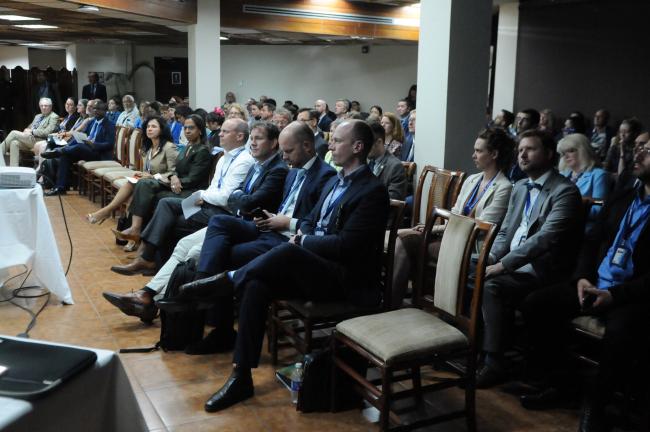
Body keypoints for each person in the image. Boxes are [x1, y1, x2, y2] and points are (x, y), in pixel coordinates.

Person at [173, 120, 389, 412]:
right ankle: (241, 375)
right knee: (256, 284)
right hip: (317, 266)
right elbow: (311, 220)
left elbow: (347, 247)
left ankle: (227, 280)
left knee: (289, 251)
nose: (331, 145)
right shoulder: (337, 180)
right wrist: (306, 236)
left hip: (346, 279)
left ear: (358, 147)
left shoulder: (372, 191)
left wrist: (303, 242)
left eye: (337, 141)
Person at [520, 140, 650, 432]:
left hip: (630, 295)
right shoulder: (625, 196)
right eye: (639, 148)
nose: (638, 153)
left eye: (648, 151)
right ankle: (563, 383)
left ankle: (598, 405)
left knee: (621, 331)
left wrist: (614, 295)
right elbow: (591, 242)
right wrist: (582, 277)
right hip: (594, 283)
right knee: (536, 304)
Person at [477, 129, 583, 388]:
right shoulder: (520, 186)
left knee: (492, 285)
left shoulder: (565, 191)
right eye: (520, 149)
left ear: (548, 154)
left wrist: (502, 266)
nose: (522, 154)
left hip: (542, 271)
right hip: (513, 263)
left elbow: (545, 240)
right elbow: (505, 231)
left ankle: (494, 362)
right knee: (467, 270)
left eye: (530, 149)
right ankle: (469, 347)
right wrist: (490, 257)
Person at [109, 119, 273, 276]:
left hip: (221, 211)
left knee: (169, 219)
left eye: (225, 131)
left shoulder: (244, 160)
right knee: (166, 204)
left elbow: (225, 197)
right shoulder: (224, 158)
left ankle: (150, 260)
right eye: (221, 131)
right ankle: (147, 258)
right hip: (207, 203)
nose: (220, 134)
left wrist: (202, 195)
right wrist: (202, 195)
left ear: (239, 136)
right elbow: (214, 188)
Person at [392, 128, 514, 306]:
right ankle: (404, 298)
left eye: (479, 151)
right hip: (452, 236)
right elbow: (455, 214)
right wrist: (434, 228)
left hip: (470, 245)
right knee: (402, 237)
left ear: (494, 154)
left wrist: (433, 228)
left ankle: (394, 303)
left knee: (406, 241)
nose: (473, 155)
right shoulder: (473, 179)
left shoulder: (504, 187)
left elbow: (479, 226)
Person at [111, 114, 213, 246]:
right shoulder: (188, 147)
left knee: (148, 190)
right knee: (143, 185)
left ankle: (140, 236)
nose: (187, 131)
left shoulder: (202, 151)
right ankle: (138, 233)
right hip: (178, 185)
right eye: (185, 128)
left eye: (191, 128)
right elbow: (176, 170)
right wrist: (174, 176)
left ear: (200, 130)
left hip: (191, 192)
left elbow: (193, 179)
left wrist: (171, 180)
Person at [86, 116, 178, 229]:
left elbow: (173, 173)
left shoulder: (169, 147)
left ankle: (107, 211)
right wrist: (141, 174)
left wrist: (153, 176)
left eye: (154, 126)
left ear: (162, 130)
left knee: (131, 186)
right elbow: (147, 170)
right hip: (147, 183)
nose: (149, 129)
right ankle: (132, 233)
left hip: (162, 184)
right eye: (148, 126)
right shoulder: (148, 148)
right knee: (131, 195)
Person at [43, 101, 115, 196]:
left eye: (99, 109)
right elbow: (82, 134)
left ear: (105, 111)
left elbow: (110, 144)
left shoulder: (109, 124)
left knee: (79, 147)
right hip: (87, 150)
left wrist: (94, 144)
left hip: (99, 154)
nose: (96, 111)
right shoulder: (92, 121)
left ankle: (59, 151)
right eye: (95, 108)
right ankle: (60, 187)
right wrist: (82, 139)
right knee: (66, 154)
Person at [557, 133, 610, 227]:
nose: (566, 156)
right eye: (563, 153)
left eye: (570, 151)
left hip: (583, 230)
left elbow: (600, 206)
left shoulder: (599, 175)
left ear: (583, 151)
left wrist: (568, 212)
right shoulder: (561, 175)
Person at [0, 97, 59, 166]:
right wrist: (27, 130)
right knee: (14, 143)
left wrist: (32, 132)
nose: (43, 107)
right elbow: (30, 127)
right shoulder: (38, 116)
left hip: (40, 141)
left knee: (13, 133)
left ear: (50, 106)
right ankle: (14, 168)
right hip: (30, 139)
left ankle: (0, 151)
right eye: (41, 106)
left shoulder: (54, 117)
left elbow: (47, 132)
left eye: (46, 106)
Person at [32, 97, 79, 171]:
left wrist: (57, 134)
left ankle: (41, 169)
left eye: (71, 104)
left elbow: (68, 132)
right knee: (39, 144)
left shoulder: (75, 117)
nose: (68, 106)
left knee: (42, 145)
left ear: (75, 107)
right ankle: (41, 165)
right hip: (59, 137)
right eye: (67, 104)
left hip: (65, 140)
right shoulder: (67, 116)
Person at [367, 121, 407, 200]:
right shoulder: (367, 162)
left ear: (379, 142)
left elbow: (394, 199)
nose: (364, 148)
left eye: (368, 143)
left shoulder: (395, 167)